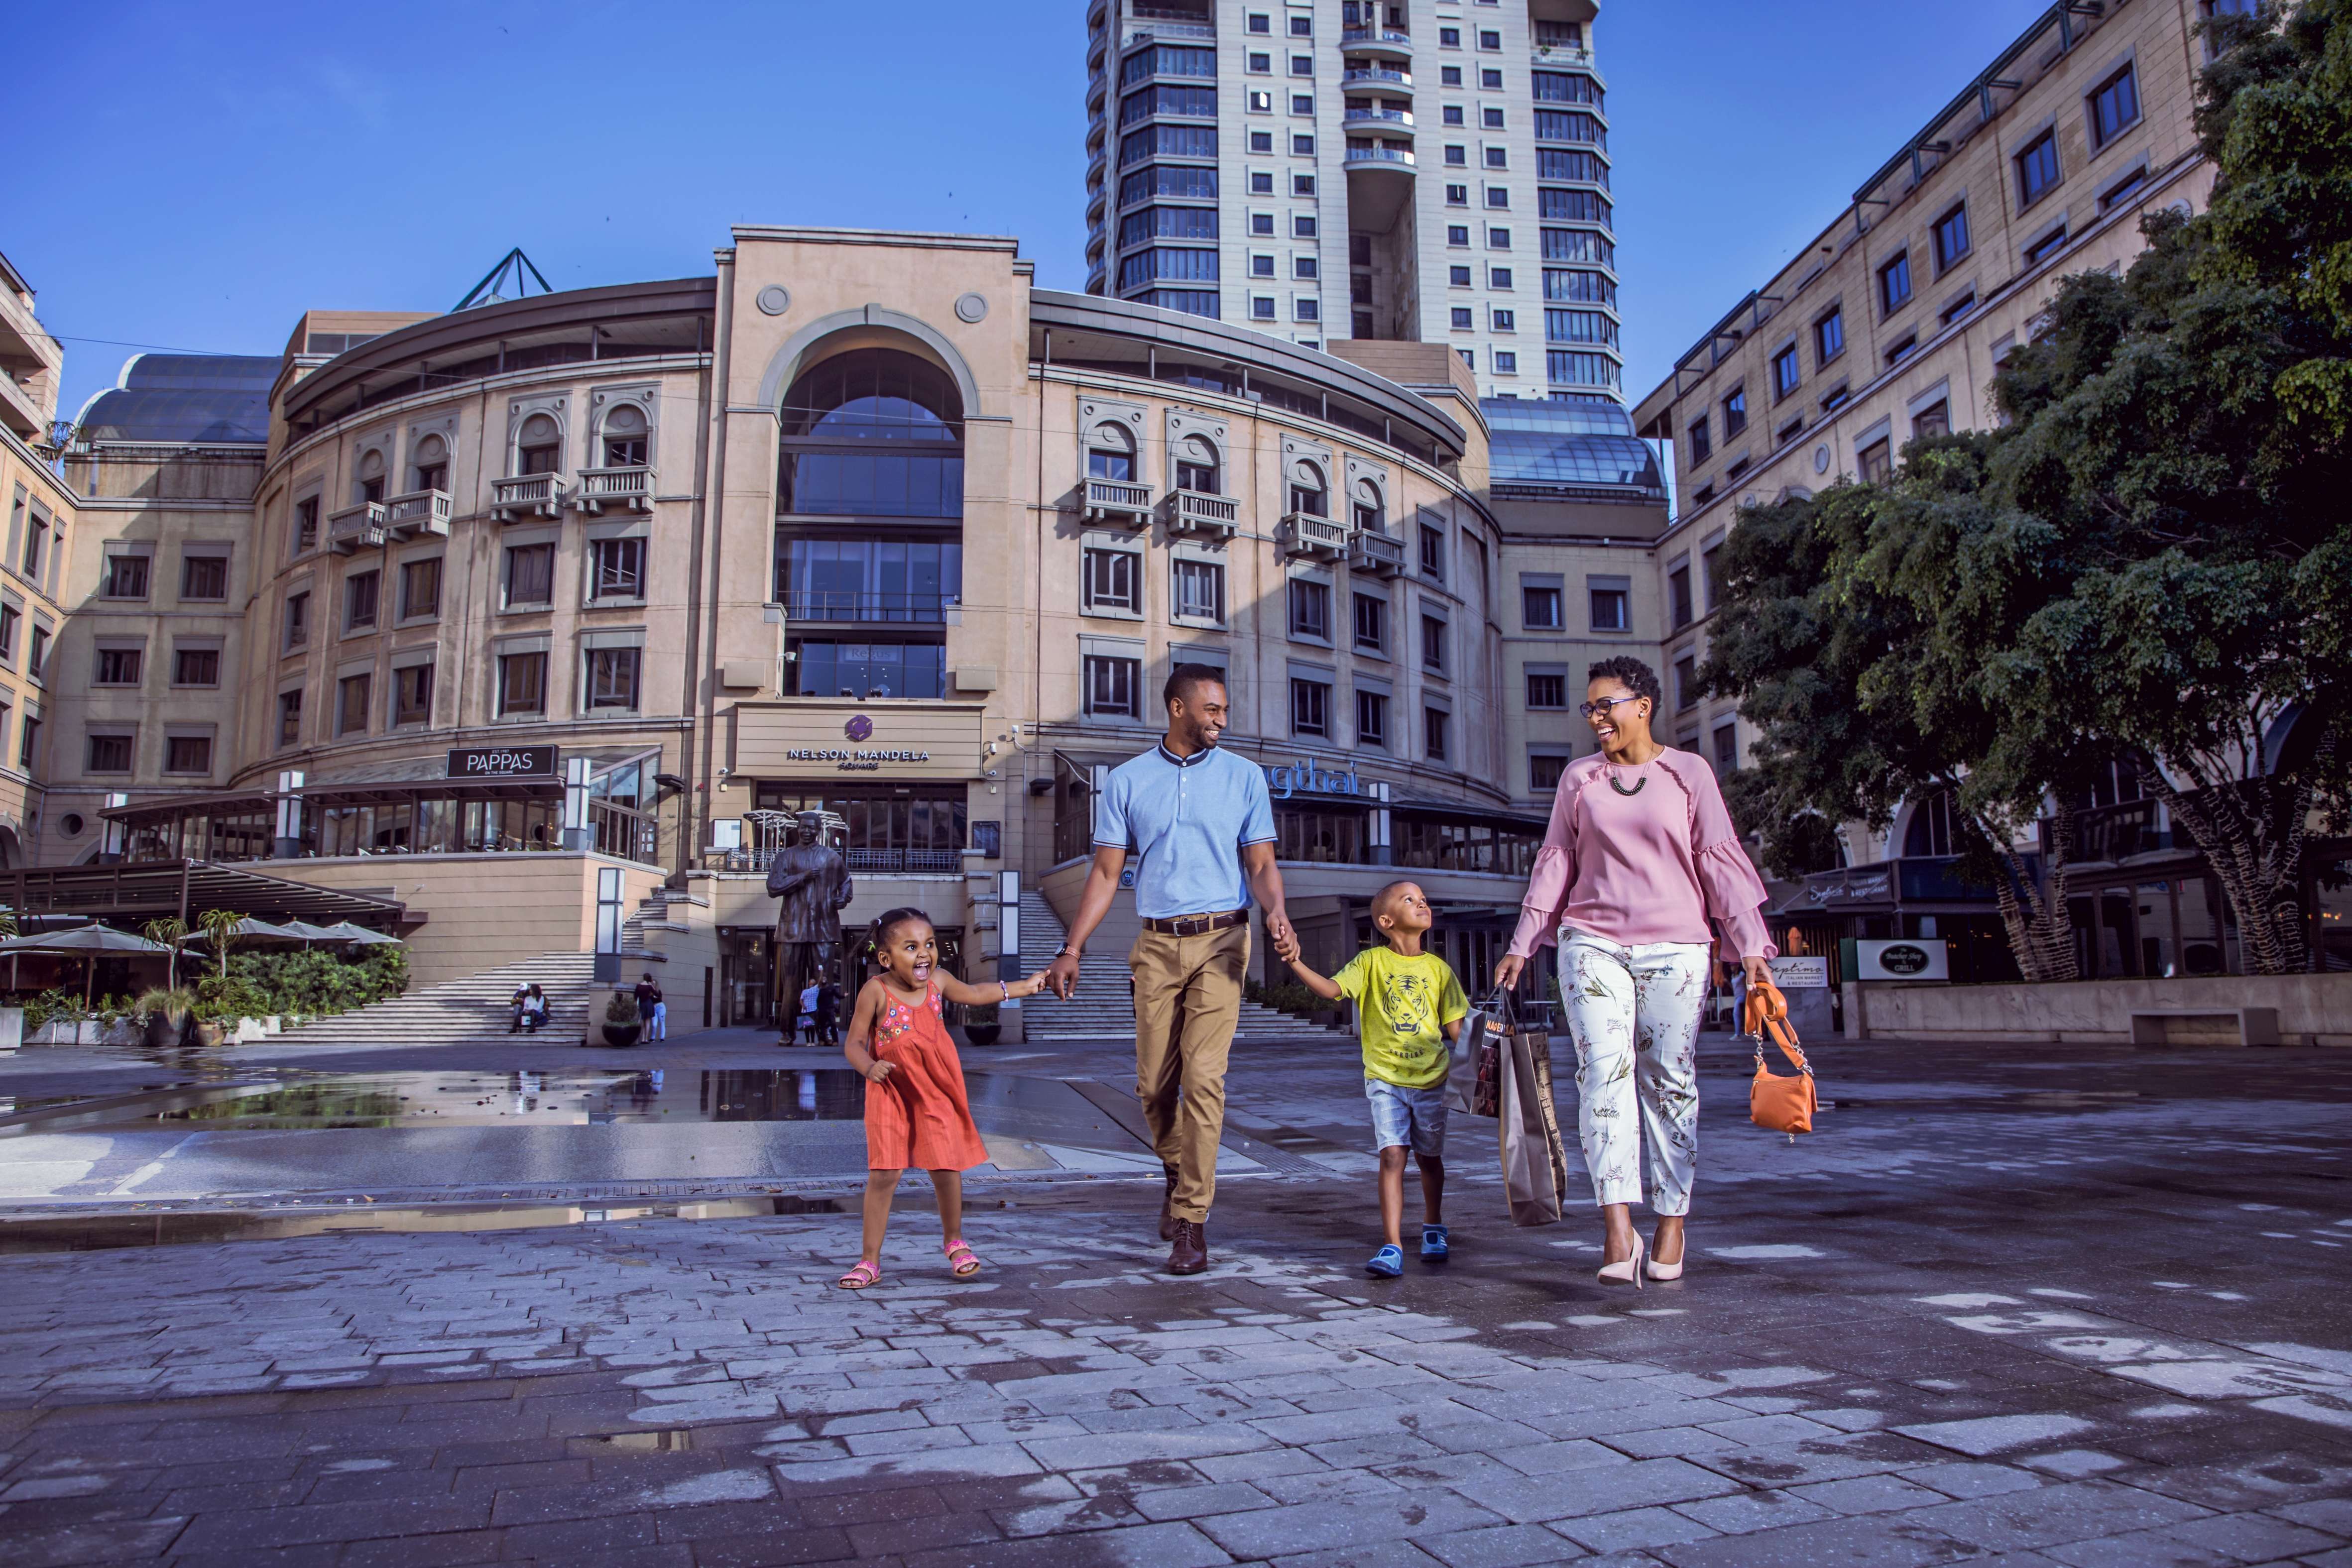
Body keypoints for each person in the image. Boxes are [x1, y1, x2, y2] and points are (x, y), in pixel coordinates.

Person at [1493, 657, 1774, 1287]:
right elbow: (1557, 860)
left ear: (1641, 705)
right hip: (1591, 941)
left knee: (1670, 1081)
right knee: (1602, 1077)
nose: (1595, 719)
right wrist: (1525, 939)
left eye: (1605, 706)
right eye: (1588, 709)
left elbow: (1718, 862)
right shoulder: (1579, 779)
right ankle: (1617, 1227)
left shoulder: (1688, 774)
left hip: (1677, 947)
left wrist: (1750, 947)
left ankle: (1672, 1219)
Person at [1046, 666, 1295, 1276]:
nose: (1220, 719)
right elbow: (1105, 874)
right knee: (1154, 1087)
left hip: (1223, 941)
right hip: (1156, 945)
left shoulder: (1244, 777)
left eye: (1224, 710)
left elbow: (1260, 863)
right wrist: (1072, 948)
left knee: (1204, 1082)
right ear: (1177, 707)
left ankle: (1191, 1222)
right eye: (1211, 709)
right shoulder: (1128, 782)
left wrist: (1278, 911)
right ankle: (1175, 1168)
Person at [837, 907, 1052, 1289]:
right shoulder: (876, 991)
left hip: (934, 1091)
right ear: (886, 959)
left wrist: (1025, 986)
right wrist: (869, 1067)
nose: (924, 954)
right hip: (890, 1093)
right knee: (884, 1173)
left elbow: (975, 994)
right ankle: (869, 1260)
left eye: (930, 944)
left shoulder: (938, 981)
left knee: (945, 1166)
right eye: (911, 947)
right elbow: (853, 1043)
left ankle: (954, 1241)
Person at [1277, 881, 1468, 1278]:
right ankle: (1393, 1244)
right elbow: (1332, 991)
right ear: (1386, 920)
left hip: (1431, 1079)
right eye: (1410, 900)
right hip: (1384, 1078)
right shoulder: (1371, 963)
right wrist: (1295, 962)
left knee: (1430, 1158)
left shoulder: (1439, 971)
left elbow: (1457, 1031)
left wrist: (1497, 1050)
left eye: (1424, 900)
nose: (1422, 903)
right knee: (1392, 1155)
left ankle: (1433, 1227)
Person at [634, 973, 663, 1040]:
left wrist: (636, 1004)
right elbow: (657, 994)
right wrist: (652, 987)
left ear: (644, 978)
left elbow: (636, 996)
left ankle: (642, 1039)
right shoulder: (650, 987)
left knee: (643, 1021)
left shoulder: (638, 986)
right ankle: (646, 1039)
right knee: (647, 1022)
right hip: (648, 1004)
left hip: (642, 1004)